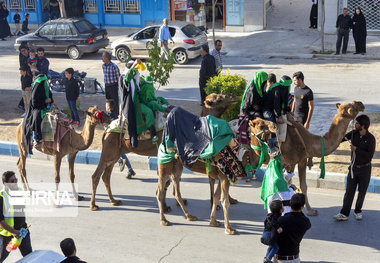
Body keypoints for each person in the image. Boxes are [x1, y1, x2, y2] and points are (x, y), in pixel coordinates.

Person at [333, 115, 376, 221]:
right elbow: (342, 138)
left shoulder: (370, 139)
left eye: (357, 123)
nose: (355, 125)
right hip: (353, 168)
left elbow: (369, 156)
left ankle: (358, 211)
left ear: (363, 126)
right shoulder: (354, 133)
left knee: (362, 191)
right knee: (349, 192)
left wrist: (356, 149)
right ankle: (344, 213)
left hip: (365, 169)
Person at [0, 171, 33, 262]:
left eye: (16, 180)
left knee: (30, 257)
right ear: (6, 184)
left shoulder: (20, 191)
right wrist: (13, 232)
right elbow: (1, 221)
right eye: (12, 181)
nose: (15, 182)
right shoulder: (1, 197)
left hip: (23, 231)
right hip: (8, 235)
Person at [22, 74, 56, 153]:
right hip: (37, 108)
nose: (45, 83)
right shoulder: (38, 87)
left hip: (46, 107)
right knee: (36, 119)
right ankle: (36, 137)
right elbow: (34, 102)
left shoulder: (44, 86)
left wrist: (52, 101)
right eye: (44, 82)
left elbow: (49, 95)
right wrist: (45, 101)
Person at [274, 193, 311, 263]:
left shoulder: (281, 220)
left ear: (290, 203)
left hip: (280, 258)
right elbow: (302, 218)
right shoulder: (305, 222)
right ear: (302, 207)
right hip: (294, 258)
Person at [291, 72, 314, 168]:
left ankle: (310, 156)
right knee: (295, 137)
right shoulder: (296, 88)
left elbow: (311, 107)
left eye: (295, 80)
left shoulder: (308, 92)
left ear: (300, 80)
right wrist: (291, 111)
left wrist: (307, 122)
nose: (294, 82)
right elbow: (295, 100)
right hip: (295, 117)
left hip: (303, 118)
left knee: (304, 139)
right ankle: (297, 156)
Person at [102, 51, 120, 120]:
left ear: (107, 58)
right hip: (107, 86)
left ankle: (116, 115)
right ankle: (111, 114)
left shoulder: (114, 66)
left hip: (113, 86)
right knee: (108, 101)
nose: (102, 58)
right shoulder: (103, 66)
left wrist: (118, 86)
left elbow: (118, 76)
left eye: (103, 57)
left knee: (115, 101)